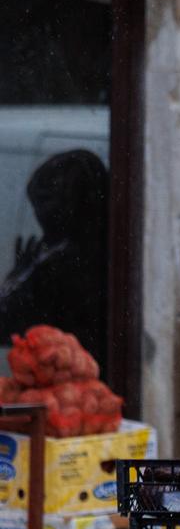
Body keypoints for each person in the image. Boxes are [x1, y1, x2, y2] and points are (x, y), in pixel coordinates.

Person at [0, 149, 109, 370]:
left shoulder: (66, 264)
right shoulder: (94, 252)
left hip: (69, 384)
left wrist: (17, 280)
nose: (38, 214)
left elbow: (8, 325)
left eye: (45, 201)